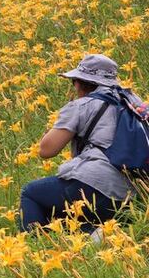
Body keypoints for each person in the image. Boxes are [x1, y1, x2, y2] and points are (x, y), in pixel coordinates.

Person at [19, 54, 141, 235]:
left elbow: (46, 150)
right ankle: (95, 233)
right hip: (135, 196)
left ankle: (35, 245)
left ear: (78, 82)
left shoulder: (83, 105)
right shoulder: (134, 104)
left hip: (94, 185)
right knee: (60, 210)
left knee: (31, 193)